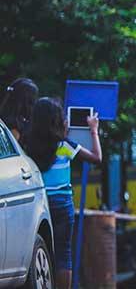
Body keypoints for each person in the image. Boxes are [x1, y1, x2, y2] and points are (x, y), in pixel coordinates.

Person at [24, 97, 102, 289]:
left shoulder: (27, 146)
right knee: (63, 253)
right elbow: (96, 157)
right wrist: (93, 130)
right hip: (62, 203)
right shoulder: (64, 146)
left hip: (39, 203)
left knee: (41, 249)